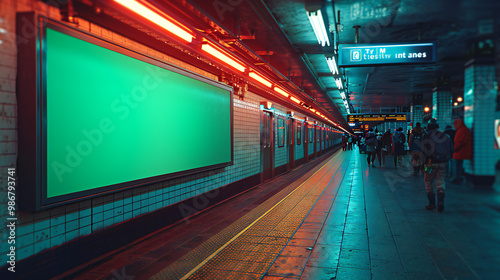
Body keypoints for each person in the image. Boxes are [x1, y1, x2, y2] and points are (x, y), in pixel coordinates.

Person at [422, 119, 453, 212]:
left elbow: (424, 151)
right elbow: (451, 150)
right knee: (440, 181)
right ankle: (440, 202)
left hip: (430, 164)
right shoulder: (446, 136)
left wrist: (423, 164)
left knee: (428, 181)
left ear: (429, 127)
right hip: (442, 164)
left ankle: (432, 203)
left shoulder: (426, 136)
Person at [451, 119, 471, 184]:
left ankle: (457, 178)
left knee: (457, 166)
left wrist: (454, 148)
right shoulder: (463, 130)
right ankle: (457, 177)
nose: (454, 126)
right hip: (461, 151)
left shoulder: (462, 130)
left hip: (460, 152)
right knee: (459, 166)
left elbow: (460, 142)